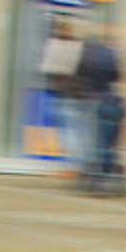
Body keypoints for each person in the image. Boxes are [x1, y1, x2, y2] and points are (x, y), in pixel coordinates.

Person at [74, 25, 126, 195]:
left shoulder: (88, 56)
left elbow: (79, 75)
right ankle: (106, 178)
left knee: (93, 143)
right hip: (111, 102)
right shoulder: (112, 55)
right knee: (109, 145)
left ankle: (93, 178)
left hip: (93, 102)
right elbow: (118, 76)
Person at [38, 16, 86, 173]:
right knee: (75, 131)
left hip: (62, 93)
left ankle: (71, 166)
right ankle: (76, 165)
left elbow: (47, 68)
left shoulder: (55, 45)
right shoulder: (79, 46)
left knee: (66, 131)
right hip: (77, 94)